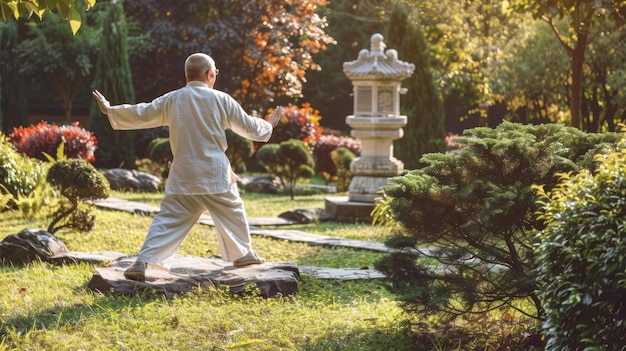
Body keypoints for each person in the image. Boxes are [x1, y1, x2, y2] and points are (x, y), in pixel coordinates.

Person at [92, 53, 283, 282]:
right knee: (234, 212)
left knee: (167, 220)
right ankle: (244, 254)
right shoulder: (221, 99)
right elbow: (250, 127)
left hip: (184, 175)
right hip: (215, 174)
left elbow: (143, 112)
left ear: (187, 75)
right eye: (216, 73)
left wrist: (111, 110)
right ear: (210, 75)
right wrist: (269, 126)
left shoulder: (173, 100)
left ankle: (142, 261)